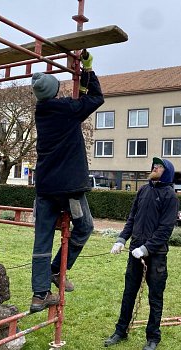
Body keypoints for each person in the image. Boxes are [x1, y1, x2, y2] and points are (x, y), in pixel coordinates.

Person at [30, 50, 104, 313]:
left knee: (42, 240)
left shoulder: (43, 111)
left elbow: (80, 101)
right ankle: (56, 271)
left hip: (46, 187)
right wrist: (89, 68)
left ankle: (39, 295)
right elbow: (95, 99)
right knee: (84, 228)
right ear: (54, 91)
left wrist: (81, 76)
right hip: (69, 188)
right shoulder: (65, 109)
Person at [105, 157, 179, 350]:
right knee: (129, 293)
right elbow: (132, 218)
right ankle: (120, 331)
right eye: (154, 165)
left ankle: (153, 338)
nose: (155, 168)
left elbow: (165, 230)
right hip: (134, 252)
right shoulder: (143, 191)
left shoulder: (170, 196)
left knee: (155, 298)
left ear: (167, 172)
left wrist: (146, 249)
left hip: (156, 255)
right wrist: (121, 240)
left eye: (160, 166)